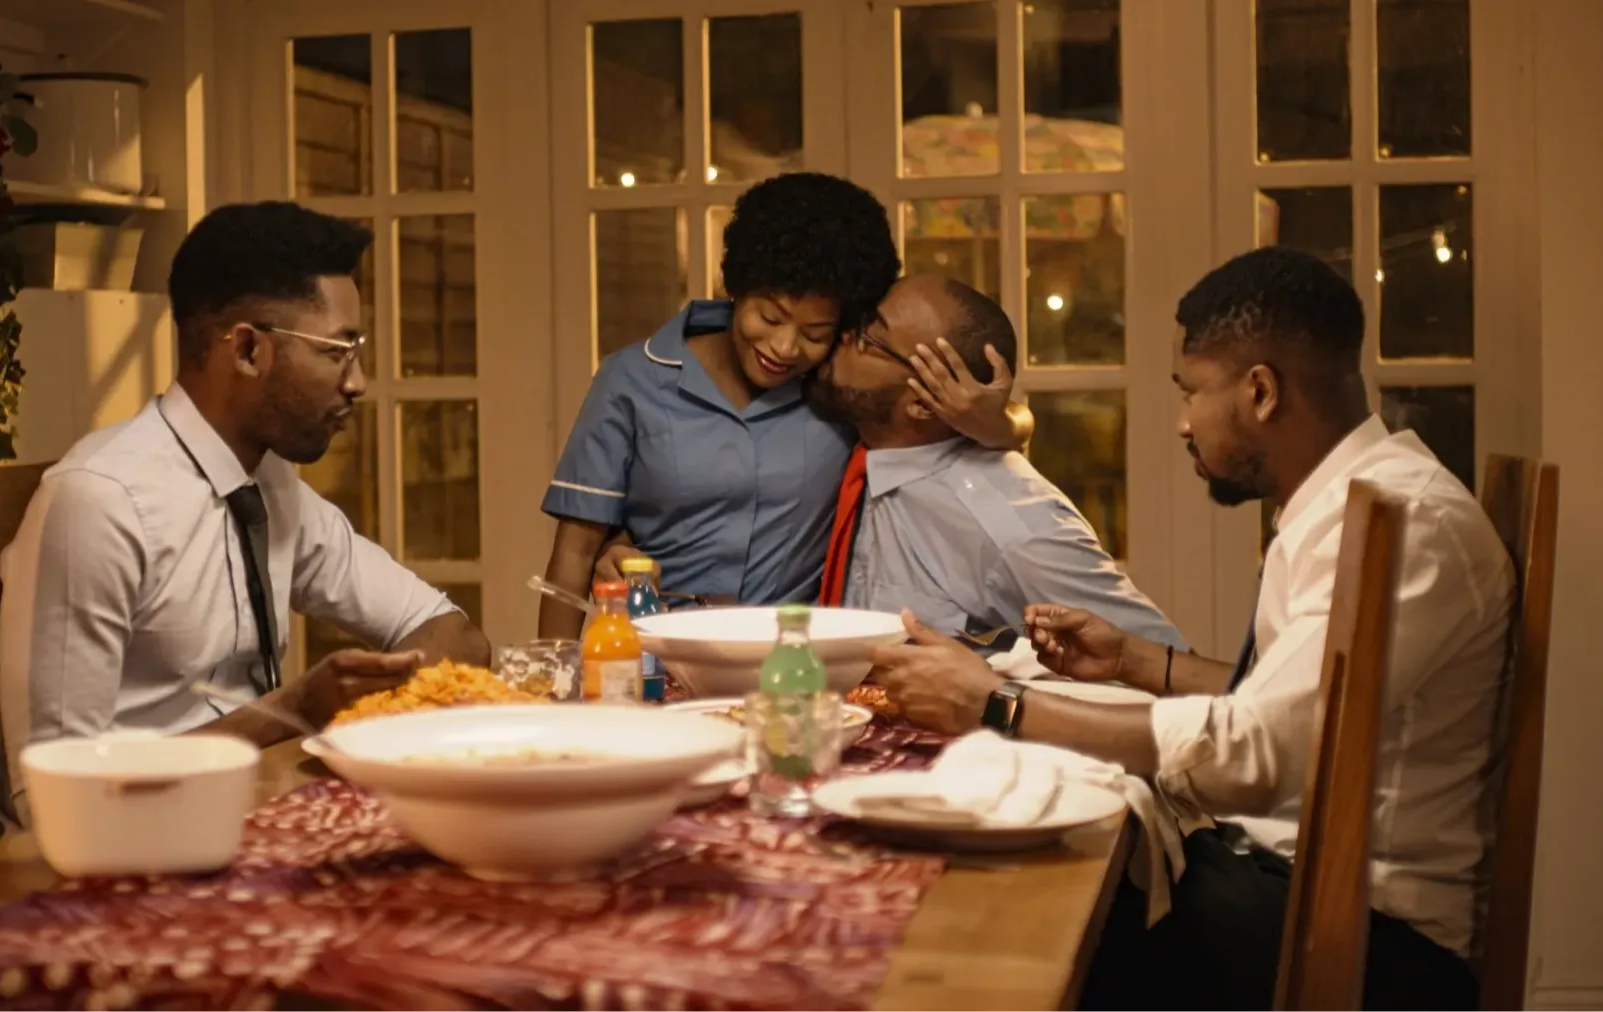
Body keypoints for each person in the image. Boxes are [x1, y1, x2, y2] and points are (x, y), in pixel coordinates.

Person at [867, 247, 1512, 1011]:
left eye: (1190, 392)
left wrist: (995, 705)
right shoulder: (1353, 500)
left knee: (1007, 938)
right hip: (1290, 886)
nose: (1180, 422)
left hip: (1369, 940)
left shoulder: (1402, 524)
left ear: (1261, 392)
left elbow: (1254, 754)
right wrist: (1136, 662)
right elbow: (1316, 707)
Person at [0, 202, 491, 809]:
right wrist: (291, 711)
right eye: (337, 352)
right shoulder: (102, 502)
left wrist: (373, 701)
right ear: (249, 351)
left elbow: (457, 636)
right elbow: (53, 797)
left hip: (256, 816)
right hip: (125, 856)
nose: (357, 382)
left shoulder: (270, 487)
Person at [538, 172, 1028, 638]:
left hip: (797, 662)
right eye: (770, 317)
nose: (785, 348)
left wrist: (1002, 425)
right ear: (736, 284)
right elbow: (575, 553)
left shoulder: (836, 389)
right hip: (656, 655)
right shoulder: (634, 379)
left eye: (815, 334)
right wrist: (553, 684)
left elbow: (941, 430)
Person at [805, 274, 1183, 649]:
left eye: (870, 339)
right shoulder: (859, 435)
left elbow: (1165, 666)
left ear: (923, 402)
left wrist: (998, 693)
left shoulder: (1011, 525)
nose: (844, 336)